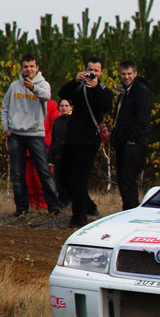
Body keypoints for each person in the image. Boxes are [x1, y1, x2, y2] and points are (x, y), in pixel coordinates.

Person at [0, 53, 61, 217]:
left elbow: (47, 96)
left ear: (37, 68)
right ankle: (21, 208)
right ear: (21, 68)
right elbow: (4, 107)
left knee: (43, 171)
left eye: (32, 66)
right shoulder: (14, 86)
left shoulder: (43, 84)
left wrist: (33, 87)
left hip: (35, 134)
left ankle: (54, 207)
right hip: (16, 134)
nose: (29, 70)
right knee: (18, 173)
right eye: (26, 67)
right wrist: (6, 128)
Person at [58, 57, 113, 227]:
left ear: (101, 72)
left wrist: (95, 87)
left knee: (79, 179)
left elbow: (106, 106)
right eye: (90, 70)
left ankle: (79, 216)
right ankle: (89, 206)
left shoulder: (104, 90)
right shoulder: (78, 87)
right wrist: (75, 80)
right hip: (73, 137)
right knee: (63, 176)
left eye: (96, 71)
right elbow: (62, 94)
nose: (92, 73)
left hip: (89, 140)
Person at [110, 60, 152, 211]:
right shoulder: (125, 91)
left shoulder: (140, 91)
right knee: (123, 180)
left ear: (135, 74)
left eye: (129, 74)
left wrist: (132, 139)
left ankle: (132, 212)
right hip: (122, 142)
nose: (126, 77)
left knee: (128, 180)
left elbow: (143, 118)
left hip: (133, 144)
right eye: (123, 74)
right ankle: (128, 210)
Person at [49, 98, 73, 205]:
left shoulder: (73, 120)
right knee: (58, 181)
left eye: (66, 106)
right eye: (62, 106)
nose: (64, 108)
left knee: (69, 180)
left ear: (71, 107)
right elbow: (53, 139)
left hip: (69, 156)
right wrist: (51, 157)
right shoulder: (57, 121)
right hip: (58, 156)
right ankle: (62, 202)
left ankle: (69, 202)